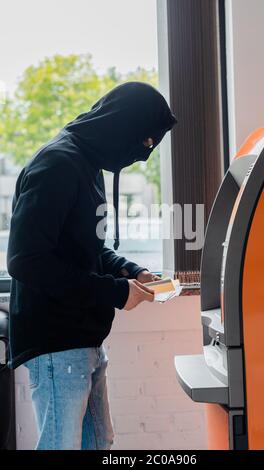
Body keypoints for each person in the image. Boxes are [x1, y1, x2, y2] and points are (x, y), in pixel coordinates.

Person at [7, 82, 177, 450]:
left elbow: (86, 248)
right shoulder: (57, 164)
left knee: (99, 443)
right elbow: (25, 260)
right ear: (122, 126)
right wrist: (114, 292)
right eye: (145, 142)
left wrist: (129, 271)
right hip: (56, 341)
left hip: (82, 338)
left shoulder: (86, 163)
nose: (144, 156)